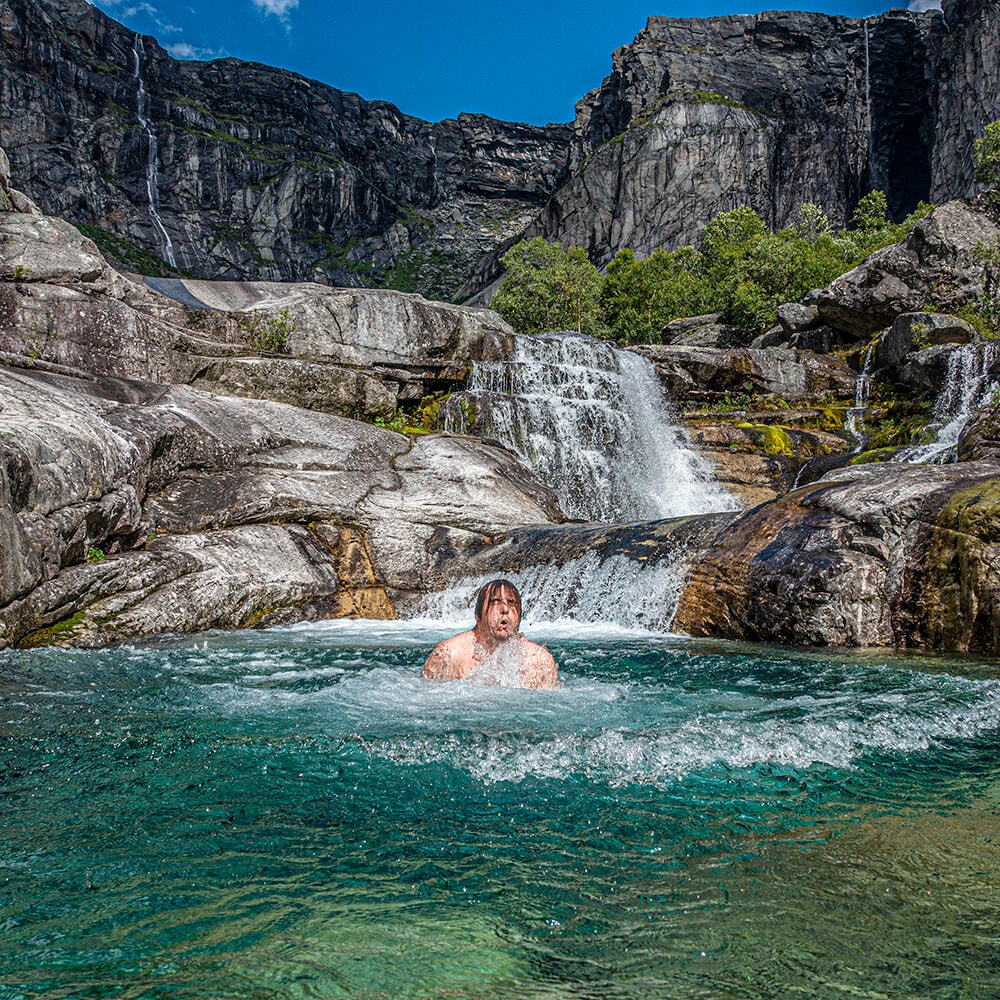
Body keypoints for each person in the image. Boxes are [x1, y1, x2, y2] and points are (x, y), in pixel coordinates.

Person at [421, 579, 559, 689]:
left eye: (511, 603)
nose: (505, 609)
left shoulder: (540, 661)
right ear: (478, 615)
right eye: (495, 602)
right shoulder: (449, 655)